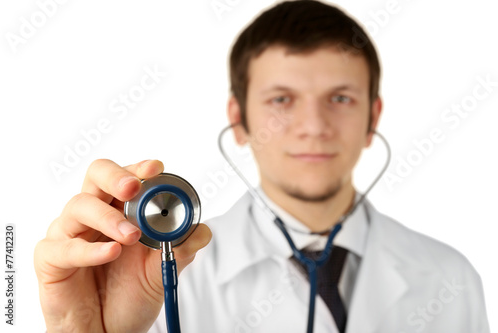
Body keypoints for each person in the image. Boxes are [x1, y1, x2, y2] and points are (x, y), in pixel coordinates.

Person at [34, 1, 490, 332]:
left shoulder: (451, 279)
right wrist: (83, 330)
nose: (313, 126)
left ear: (373, 118)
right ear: (239, 120)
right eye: (281, 100)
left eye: (340, 98)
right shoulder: (162, 281)